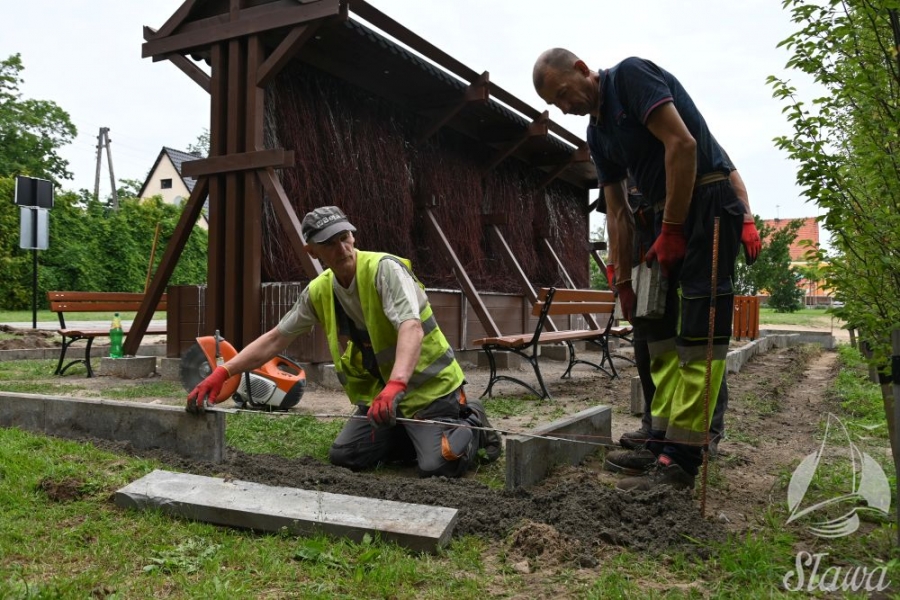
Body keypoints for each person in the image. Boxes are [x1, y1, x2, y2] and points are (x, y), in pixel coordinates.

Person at [533, 49, 754, 491]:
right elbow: (615, 211)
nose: (565, 107)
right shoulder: (598, 132)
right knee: (655, 336)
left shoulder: (630, 77)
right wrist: (623, 277)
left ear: (581, 69)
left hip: (705, 207)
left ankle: (685, 456)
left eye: (563, 93)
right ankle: (662, 437)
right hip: (655, 219)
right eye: (556, 105)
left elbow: (683, 144)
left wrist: (674, 228)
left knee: (697, 335)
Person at [186, 206, 501, 478]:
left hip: (432, 392)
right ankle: (414, 435)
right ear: (312, 251)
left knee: (437, 466)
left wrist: (396, 384)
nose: (342, 248)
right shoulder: (319, 290)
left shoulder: (384, 269)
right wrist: (224, 372)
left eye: (344, 237)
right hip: (383, 399)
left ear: (353, 235)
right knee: (345, 456)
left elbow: (411, 327)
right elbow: (276, 338)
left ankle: (471, 420)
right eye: (329, 243)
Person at [605, 171, 760, 466]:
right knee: (649, 342)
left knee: (700, 340)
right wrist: (617, 265)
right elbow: (615, 216)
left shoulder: (672, 130)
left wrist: (746, 218)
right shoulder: (613, 149)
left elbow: (728, 171)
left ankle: (706, 434)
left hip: (690, 237)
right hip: (645, 248)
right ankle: (655, 429)